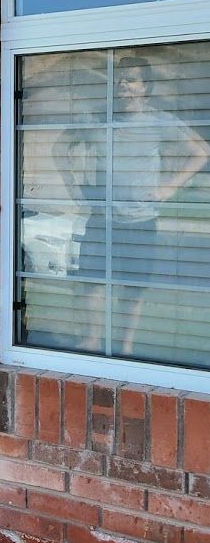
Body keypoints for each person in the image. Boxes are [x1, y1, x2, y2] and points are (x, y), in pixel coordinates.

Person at [70, 55, 210, 356]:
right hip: (101, 217)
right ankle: (92, 341)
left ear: (145, 87)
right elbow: (62, 149)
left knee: (133, 290)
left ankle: (126, 348)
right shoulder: (98, 118)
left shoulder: (160, 121)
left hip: (140, 221)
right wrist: (75, 189)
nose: (123, 85)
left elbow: (201, 152)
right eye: (119, 79)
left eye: (131, 79)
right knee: (91, 283)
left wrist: (167, 188)